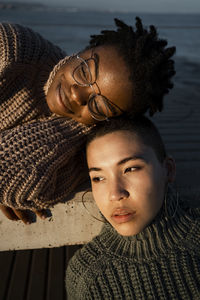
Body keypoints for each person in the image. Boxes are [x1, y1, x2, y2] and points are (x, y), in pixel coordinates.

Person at [0, 18, 176, 224]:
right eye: (83, 71)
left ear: (108, 120)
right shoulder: (12, 49)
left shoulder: (78, 146)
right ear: (80, 52)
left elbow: (14, 184)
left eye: (100, 105)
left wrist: (76, 127)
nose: (77, 95)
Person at [66, 115, 200, 299]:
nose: (115, 194)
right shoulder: (86, 274)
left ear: (168, 170)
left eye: (130, 169)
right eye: (98, 178)